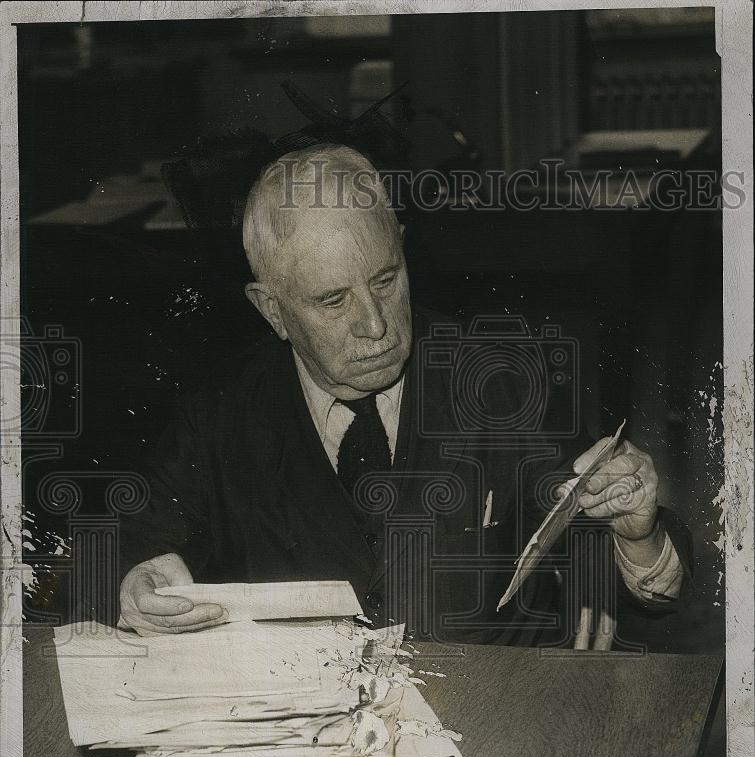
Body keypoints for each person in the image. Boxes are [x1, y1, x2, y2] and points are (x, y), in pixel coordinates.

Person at [118, 144, 690, 646]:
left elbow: (611, 565)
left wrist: (637, 537)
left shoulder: (500, 380)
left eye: (386, 281)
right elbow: (133, 552)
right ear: (272, 310)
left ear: (403, 248)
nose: (376, 326)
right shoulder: (218, 414)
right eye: (333, 301)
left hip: (487, 708)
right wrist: (139, 588)